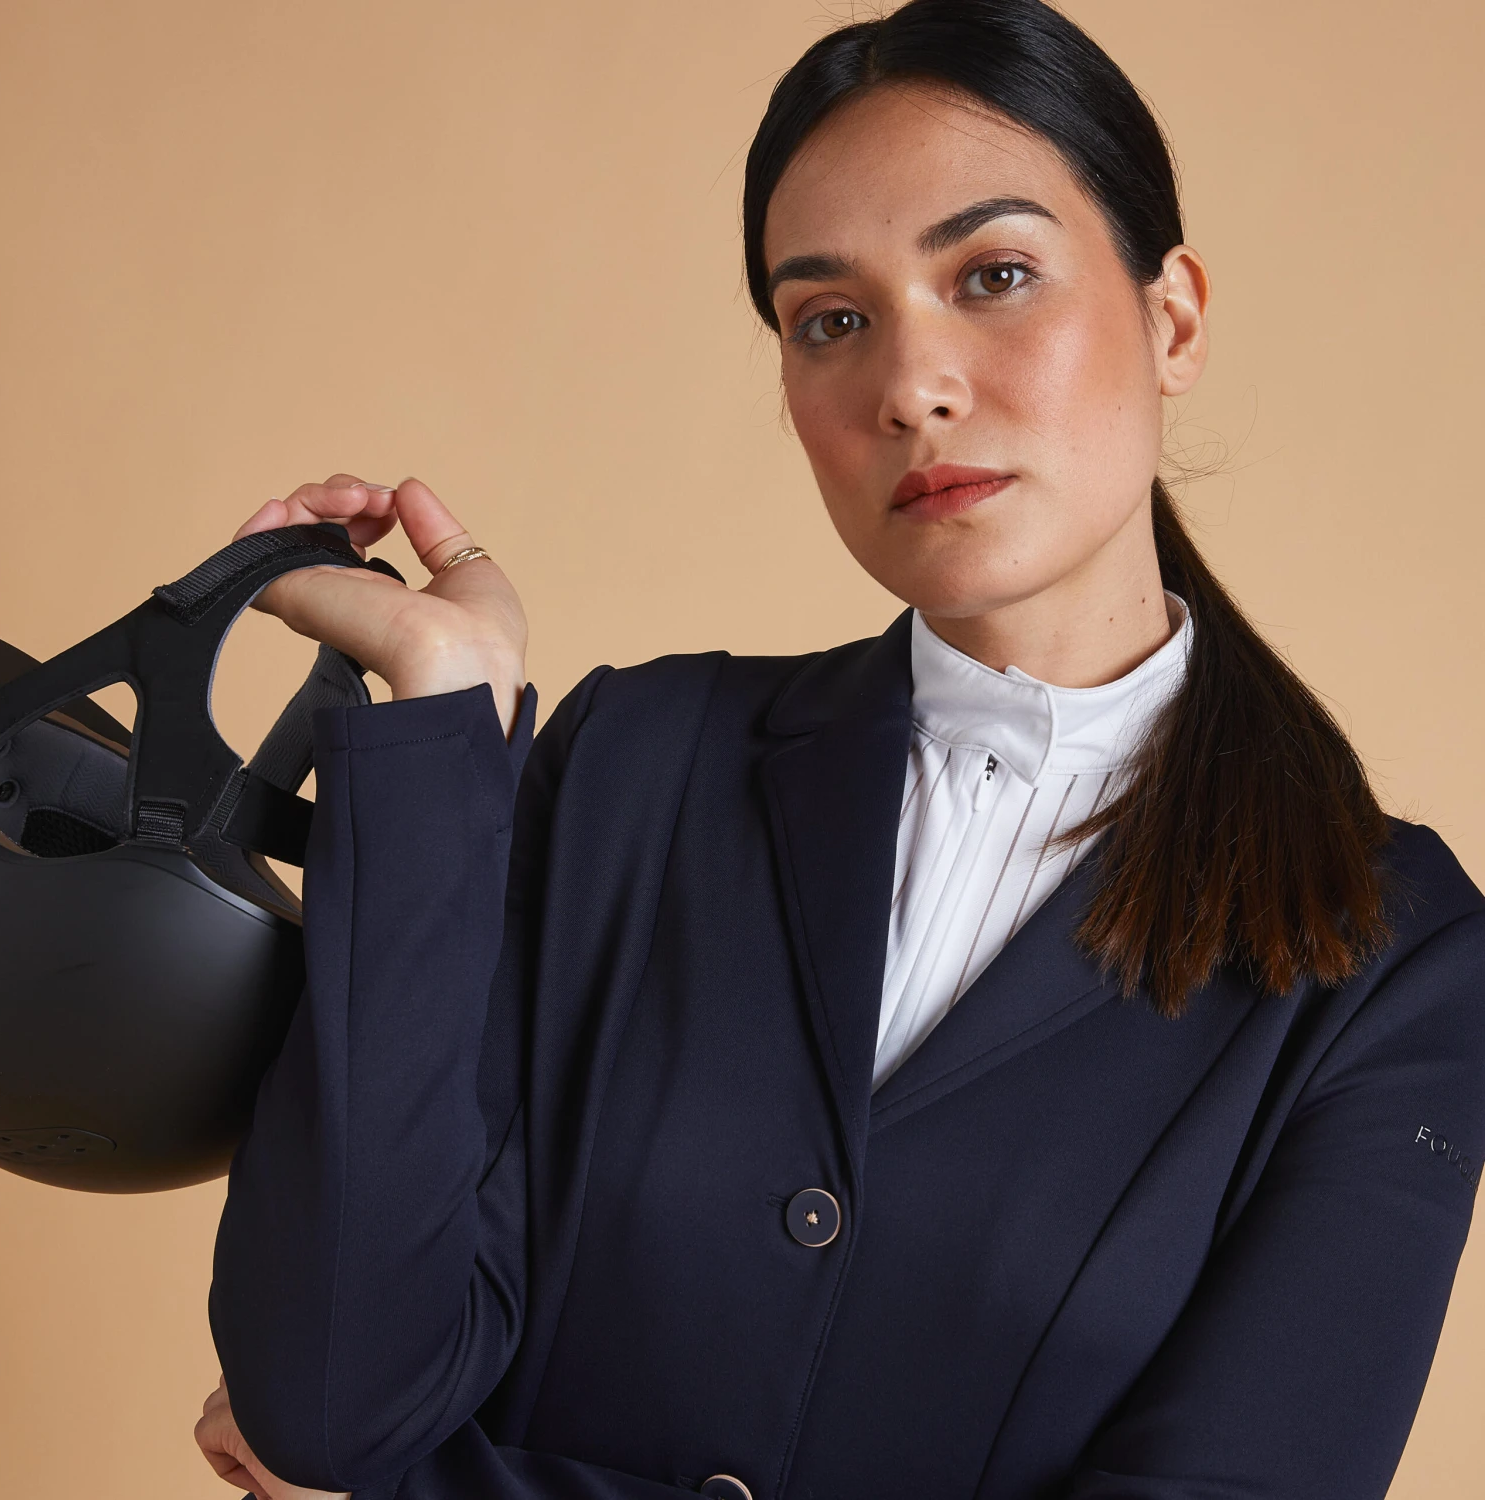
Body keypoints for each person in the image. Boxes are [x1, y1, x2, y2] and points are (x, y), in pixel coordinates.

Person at [193, 2, 1485, 1497]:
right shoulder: (631, 765)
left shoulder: (1391, 957)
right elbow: (331, 1398)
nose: (911, 387)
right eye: (831, 319)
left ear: (1173, 318)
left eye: (995, 276)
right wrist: (439, 730)